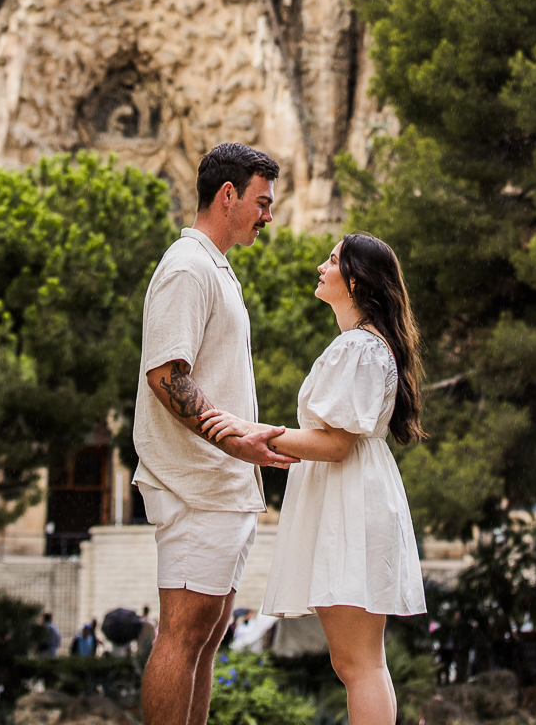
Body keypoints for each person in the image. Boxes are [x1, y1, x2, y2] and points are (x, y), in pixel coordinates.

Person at [201, 233, 427, 725]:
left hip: (350, 501)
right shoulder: (361, 347)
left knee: (358, 663)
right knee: (357, 662)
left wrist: (255, 432)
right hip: (349, 497)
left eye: (332, 260)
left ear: (356, 280)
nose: (321, 266)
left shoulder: (360, 348)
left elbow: (336, 443)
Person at [133, 142, 298, 725]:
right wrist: (233, 442)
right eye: (262, 202)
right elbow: (165, 374)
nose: (268, 216)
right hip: (195, 483)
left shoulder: (213, 267)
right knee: (182, 632)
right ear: (227, 195)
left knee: (206, 634)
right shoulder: (187, 268)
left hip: (220, 484)